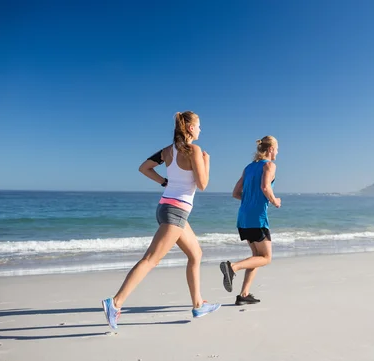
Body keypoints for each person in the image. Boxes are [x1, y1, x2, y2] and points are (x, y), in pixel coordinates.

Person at [102, 111, 221, 329]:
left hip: (166, 207)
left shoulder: (167, 151)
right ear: (191, 128)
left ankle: (198, 304)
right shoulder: (195, 151)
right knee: (150, 260)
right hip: (175, 212)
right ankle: (115, 303)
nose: (201, 130)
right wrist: (207, 162)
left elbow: (144, 168)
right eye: (199, 126)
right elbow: (203, 184)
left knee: (196, 254)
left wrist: (164, 182)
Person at [220, 136, 281, 305]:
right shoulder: (270, 165)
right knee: (266, 258)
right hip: (257, 218)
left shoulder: (248, 168)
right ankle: (232, 268)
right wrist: (275, 201)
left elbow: (235, 193)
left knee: (256, 256)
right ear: (270, 149)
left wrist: (250, 201)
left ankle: (244, 294)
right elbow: (265, 187)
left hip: (243, 217)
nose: (277, 152)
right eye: (277, 148)